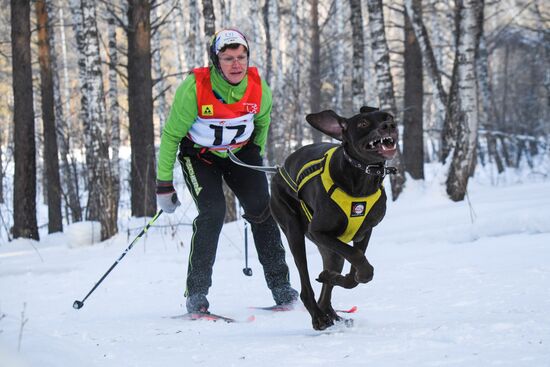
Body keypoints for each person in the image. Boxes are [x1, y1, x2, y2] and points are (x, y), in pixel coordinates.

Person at [156, 28, 298, 314]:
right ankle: (196, 293)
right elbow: (171, 136)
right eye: (228, 58)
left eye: (242, 57)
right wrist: (164, 185)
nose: (236, 64)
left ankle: (282, 287)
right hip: (200, 157)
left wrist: (254, 157)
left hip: (240, 153)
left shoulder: (259, 88)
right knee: (213, 212)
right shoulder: (194, 87)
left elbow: (262, 124)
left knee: (262, 209)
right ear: (215, 60)